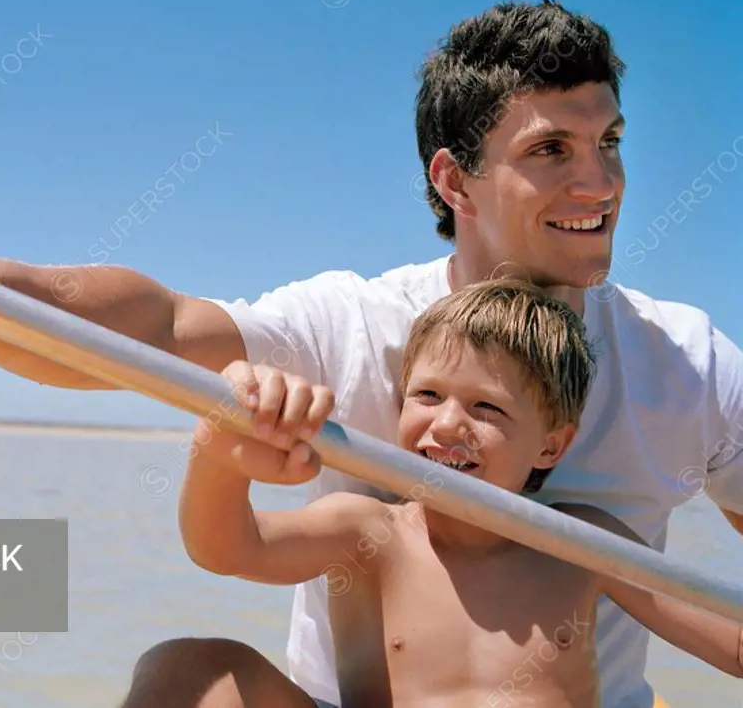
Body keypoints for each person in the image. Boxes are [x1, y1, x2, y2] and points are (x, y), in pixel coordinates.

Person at [0, 0, 743, 708]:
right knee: (185, 673)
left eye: (608, 141)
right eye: (552, 150)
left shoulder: (688, 360)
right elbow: (151, 327)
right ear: (454, 178)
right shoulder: (347, 324)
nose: (600, 179)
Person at [178, 278, 743, 707]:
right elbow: (225, 548)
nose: (447, 425)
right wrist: (220, 447)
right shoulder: (367, 532)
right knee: (189, 666)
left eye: (486, 407)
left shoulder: (581, 542)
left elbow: (733, 646)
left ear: (551, 446)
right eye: (427, 395)